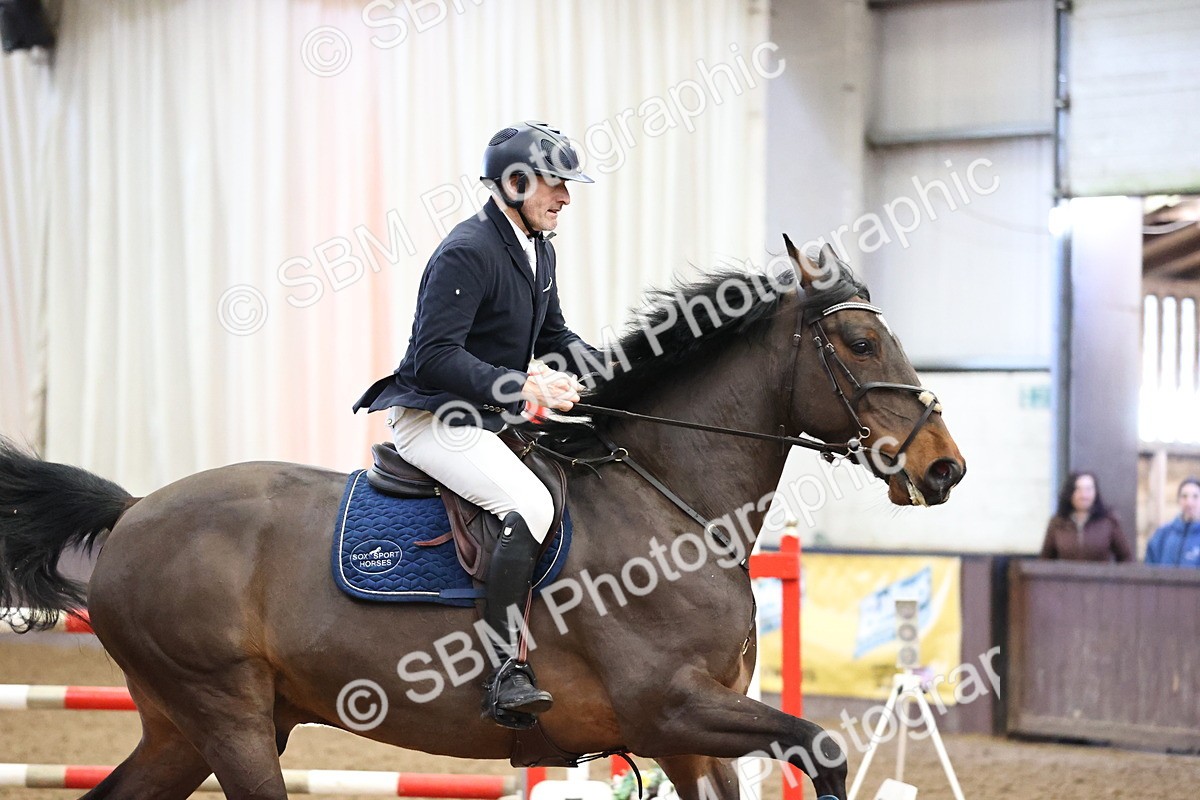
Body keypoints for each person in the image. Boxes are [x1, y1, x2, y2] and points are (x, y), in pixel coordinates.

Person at [353, 122, 598, 728]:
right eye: (555, 183)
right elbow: (435, 356)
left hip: (485, 417)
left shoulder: (538, 249)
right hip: (434, 417)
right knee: (530, 505)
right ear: (514, 184)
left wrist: (621, 373)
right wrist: (522, 386)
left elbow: (554, 337)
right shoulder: (468, 250)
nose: (565, 197)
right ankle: (503, 671)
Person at [1039, 471, 1132, 562]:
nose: (1083, 495)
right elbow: (1045, 561)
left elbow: (1126, 560)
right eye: (1078, 489)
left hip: (1099, 573)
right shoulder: (1057, 523)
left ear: (1095, 493)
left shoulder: (1109, 522)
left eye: (1088, 489)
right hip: (1067, 573)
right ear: (1070, 493)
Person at [1145, 477, 1200, 567]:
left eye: (1195, 497)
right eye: (1184, 496)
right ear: (1178, 500)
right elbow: (1149, 567)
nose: (1189, 502)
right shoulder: (1162, 535)